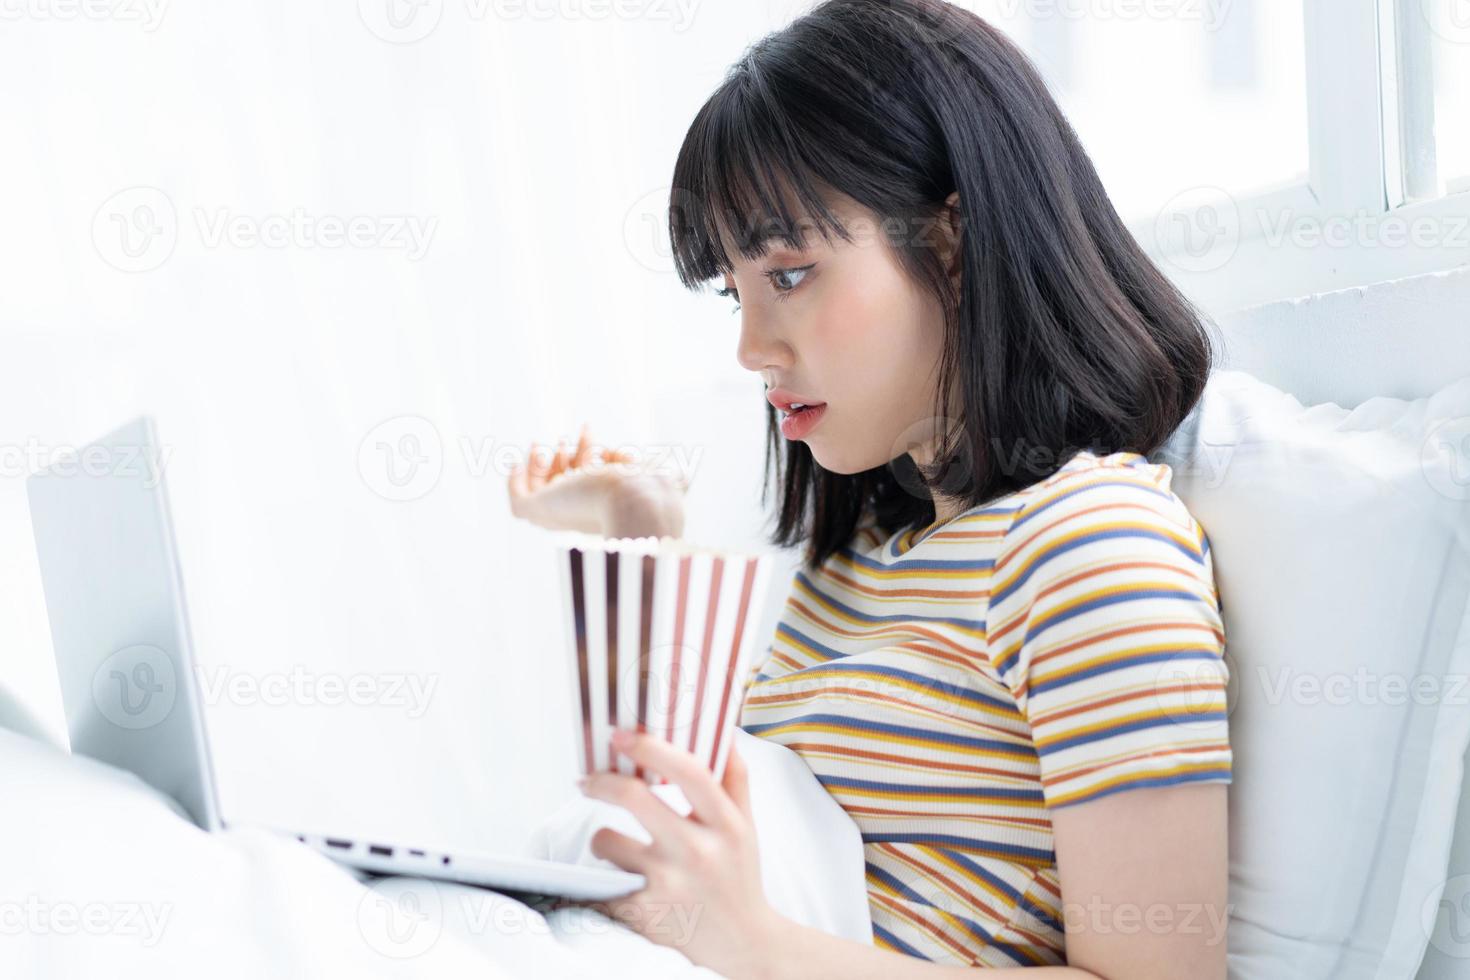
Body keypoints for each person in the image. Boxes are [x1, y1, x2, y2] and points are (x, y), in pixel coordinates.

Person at [506, 2, 1232, 977]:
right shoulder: (854, 566)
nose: (750, 347)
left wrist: (755, 944)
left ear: (954, 244)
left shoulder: (1090, 547)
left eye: (791, 273)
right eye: (735, 290)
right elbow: (674, 828)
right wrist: (641, 539)